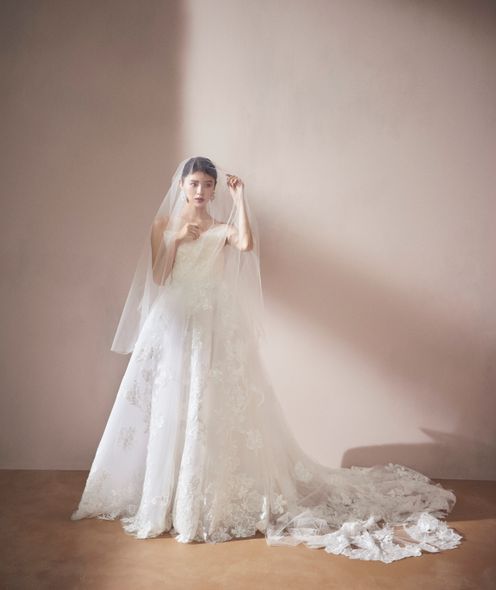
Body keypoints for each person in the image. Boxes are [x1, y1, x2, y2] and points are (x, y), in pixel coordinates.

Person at [70, 156, 462, 562]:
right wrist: (176, 239)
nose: (201, 191)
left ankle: (203, 498)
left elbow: (245, 243)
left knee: (210, 403)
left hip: (215, 319)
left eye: (208, 185)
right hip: (176, 321)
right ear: (181, 185)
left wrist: (240, 199)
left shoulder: (220, 227)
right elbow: (159, 276)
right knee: (173, 403)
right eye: (195, 184)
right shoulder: (162, 225)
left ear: (214, 190)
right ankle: (166, 498)